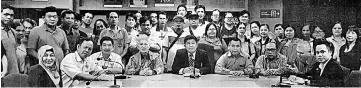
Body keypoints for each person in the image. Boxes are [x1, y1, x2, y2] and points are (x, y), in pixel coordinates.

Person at [1, 5, 19, 74]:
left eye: (11, 15)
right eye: (6, 14)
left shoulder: (13, 32)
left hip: (14, 72)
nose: (9, 17)